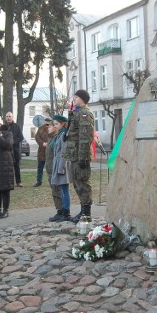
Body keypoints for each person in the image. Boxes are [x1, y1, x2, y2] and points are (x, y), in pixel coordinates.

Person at [63, 89, 95, 223]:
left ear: (82, 99)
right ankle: (83, 211)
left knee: (83, 183)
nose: (74, 99)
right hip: (73, 155)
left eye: (76, 97)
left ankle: (86, 213)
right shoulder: (76, 112)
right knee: (77, 183)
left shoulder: (84, 114)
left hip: (80, 155)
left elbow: (85, 138)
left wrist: (83, 157)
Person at [50, 115, 72, 221]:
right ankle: (63, 211)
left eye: (57, 124)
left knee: (64, 189)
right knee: (62, 189)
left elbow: (64, 152)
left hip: (62, 165)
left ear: (63, 124)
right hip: (58, 163)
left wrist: (61, 167)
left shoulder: (64, 135)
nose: (55, 126)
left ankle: (66, 212)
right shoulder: (59, 134)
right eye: (54, 124)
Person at [45, 117, 64, 221]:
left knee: (58, 191)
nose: (48, 128)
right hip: (50, 168)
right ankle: (58, 210)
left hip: (54, 168)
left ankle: (61, 211)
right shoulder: (51, 138)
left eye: (50, 126)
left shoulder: (57, 138)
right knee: (54, 191)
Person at [5, 112, 24, 187]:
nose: (8, 118)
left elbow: (21, 137)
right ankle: (8, 182)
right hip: (6, 150)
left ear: (12, 117)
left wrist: (12, 142)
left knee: (16, 167)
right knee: (7, 168)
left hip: (15, 150)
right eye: (7, 116)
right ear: (5, 117)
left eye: (10, 116)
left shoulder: (17, 126)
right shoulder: (3, 126)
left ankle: (18, 182)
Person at [34, 117, 52, 186]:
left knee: (50, 167)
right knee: (40, 167)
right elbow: (37, 137)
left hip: (50, 151)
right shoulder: (41, 128)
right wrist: (42, 143)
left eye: (49, 121)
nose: (47, 122)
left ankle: (51, 180)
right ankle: (39, 181)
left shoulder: (53, 128)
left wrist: (49, 143)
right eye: (46, 121)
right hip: (42, 151)